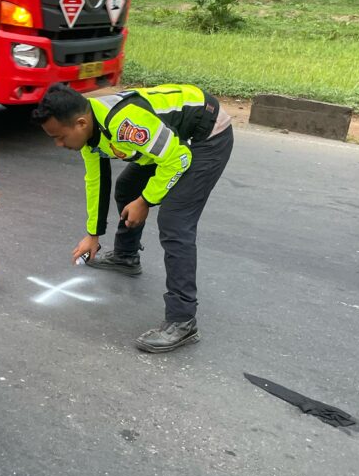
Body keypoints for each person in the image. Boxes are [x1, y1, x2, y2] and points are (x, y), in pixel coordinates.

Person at [32, 83, 233, 353]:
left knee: (175, 221)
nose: (58, 144)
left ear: (80, 123)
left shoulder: (124, 124)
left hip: (206, 135)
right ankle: (126, 256)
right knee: (127, 187)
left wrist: (145, 201)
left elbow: (178, 159)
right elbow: (97, 181)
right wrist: (93, 234)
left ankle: (182, 320)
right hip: (172, 138)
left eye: (60, 137)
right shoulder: (90, 132)